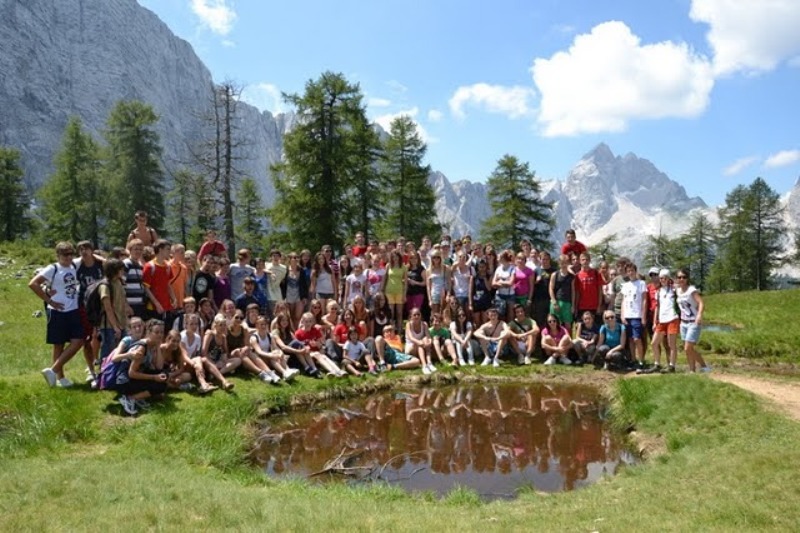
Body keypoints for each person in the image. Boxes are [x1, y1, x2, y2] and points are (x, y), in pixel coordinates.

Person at [30, 242, 84, 388]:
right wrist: (49, 301)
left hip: (73, 309)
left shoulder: (74, 265)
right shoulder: (53, 268)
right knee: (58, 344)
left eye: (70, 254)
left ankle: (52, 371)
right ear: (58, 255)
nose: (68, 257)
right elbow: (33, 283)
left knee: (78, 341)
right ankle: (60, 378)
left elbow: (90, 255)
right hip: (57, 311)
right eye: (65, 254)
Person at [116, 319, 167, 416]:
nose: (160, 335)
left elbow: (159, 367)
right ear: (149, 332)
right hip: (125, 382)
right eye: (156, 332)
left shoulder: (153, 345)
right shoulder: (142, 348)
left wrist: (158, 346)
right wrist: (154, 377)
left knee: (164, 375)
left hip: (133, 378)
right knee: (160, 385)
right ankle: (130, 399)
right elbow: (131, 373)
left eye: (161, 332)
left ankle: (137, 397)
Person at [73, 240, 104, 376]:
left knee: (102, 337)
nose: (84, 252)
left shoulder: (100, 265)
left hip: (101, 304)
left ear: (92, 250)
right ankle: (91, 370)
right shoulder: (77, 266)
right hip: (84, 306)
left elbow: (113, 265)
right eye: (81, 249)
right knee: (87, 338)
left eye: (86, 249)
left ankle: (102, 366)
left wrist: (100, 258)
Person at [643, 269, 680, 374]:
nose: (662, 280)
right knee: (654, 343)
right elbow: (657, 307)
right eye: (661, 278)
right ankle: (657, 364)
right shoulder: (658, 291)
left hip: (672, 318)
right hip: (661, 320)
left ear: (668, 278)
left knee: (671, 344)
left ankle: (672, 366)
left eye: (664, 278)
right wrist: (655, 321)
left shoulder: (674, 289)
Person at [675, 269, 711, 373]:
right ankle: (692, 370)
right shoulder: (677, 290)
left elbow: (701, 303)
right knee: (688, 349)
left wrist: (699, 315)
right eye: (679, 277)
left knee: (688, 348)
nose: (682, 279)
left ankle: (704, 366)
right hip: (683, 323)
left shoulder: (691, 290)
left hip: (693, 322)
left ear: (687, 278)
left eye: (684, 277)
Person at [295, 312, 347, 377]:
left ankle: (338, 371)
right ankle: (333, 371)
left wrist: (317, 344)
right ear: (302, 322)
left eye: (310, 321)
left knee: (324, 356)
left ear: (312, 322)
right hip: (307, 355)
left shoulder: (315, 330)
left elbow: (321, 344)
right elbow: (298, 347)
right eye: (306, 321)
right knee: (318, 355)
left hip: (318, 352)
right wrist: (310, 350)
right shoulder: (298, 333)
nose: (308, 323)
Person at [179, 313, 220, 394]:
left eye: (196, 324)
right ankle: (204, 384)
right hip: (182, 363)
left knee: (203, 359)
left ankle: (224, 381)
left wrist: (197, 364)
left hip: (192, 363)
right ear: (186, 324)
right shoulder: (182, 336)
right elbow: (184, 355)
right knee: (198, 359)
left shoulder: (197, 337)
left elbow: (195, 354)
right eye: (191, 324)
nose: (194, 326)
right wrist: (194, 364)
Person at [97, 258, 129, 364]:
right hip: (109, 326)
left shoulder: (118, 282)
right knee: (108, 353)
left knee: (121, 351)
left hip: (121, 323)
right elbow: (108, 308)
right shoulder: (105, 286)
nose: (123, 271)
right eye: (121, 269)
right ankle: (104, 371)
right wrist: (115, 327)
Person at [249, 315, 298, 381]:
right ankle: (284, 372)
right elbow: (259, 352)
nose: (263, 326)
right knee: (273, 356)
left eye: (265, 324)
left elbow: (275, 347)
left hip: (268, 357)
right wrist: (271, 355)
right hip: (259, 359)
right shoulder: (254, 338)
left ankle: (287, 370)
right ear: (257, 325)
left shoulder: (270, 335)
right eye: (261, 324)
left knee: (277, 352)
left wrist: (280, 352)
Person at [142, 239, 178, 326]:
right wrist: (157, 304)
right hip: (153, 307)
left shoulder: (168, 266)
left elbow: (168, 284)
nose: (170, 252)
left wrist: (174, 298)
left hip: (167, 306)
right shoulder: (149, 266)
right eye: (168, 249)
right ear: (160, 250)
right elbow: (146, 288)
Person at [201, 314, 239, 391]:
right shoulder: (210, 334)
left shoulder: (223, 337)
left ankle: (216, 373)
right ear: (215, 326)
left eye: (224, 325)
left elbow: (226, 353)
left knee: (238, 360)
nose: (223, 327)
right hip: (209, 361)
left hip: (218, 361)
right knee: (206, 360)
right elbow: (203, 353)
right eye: (220, 325)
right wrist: (213, 363)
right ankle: (223, 379)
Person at [621, 262, 648, 370]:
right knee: (631, 339)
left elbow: (644, 300)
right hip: (628, 315)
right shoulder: (625, 285)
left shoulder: (641, 283)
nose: (630, 273)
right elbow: (623, 301)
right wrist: (622, 315)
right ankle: (633, 360)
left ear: (635, 271)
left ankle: (641, 361)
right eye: (628, 271)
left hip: (637, 315)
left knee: (637, 339)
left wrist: (643, 316)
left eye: (632, 270)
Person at [549, 254, 576, 332]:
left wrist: (573, 305)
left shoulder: (572, 276)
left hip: (567, 303)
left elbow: (573, 291)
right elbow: (550, 288)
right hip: (556, 301)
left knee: (568, 325)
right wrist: (554, 301)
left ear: (568, 263)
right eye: (562, 263)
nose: (563, 265)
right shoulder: (554, 274)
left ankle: (568, 339)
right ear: (559, 263)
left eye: (565, 263)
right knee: (555, 324)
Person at [575, 252, 604, 325]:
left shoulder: (596, 273)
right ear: (580, 261)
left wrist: (599, 306)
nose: (585, 261)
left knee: (596, 328)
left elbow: (600, 291)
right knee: (581, 328)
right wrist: (576, 307)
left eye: (587, 259)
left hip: (594, 306)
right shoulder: (577, 275)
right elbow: (577, 293)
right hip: (582, 307)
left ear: (590, 260)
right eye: (583, 259)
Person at [405, 307, 435, 375]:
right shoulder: (408, 324)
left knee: (425, 339)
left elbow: (428, 337)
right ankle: (424, 365)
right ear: (411, 316)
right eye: (414, 315)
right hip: (411, 347)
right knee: (419, 344)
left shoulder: (424, 324)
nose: (417, 316)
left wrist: (429, 342)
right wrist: (420, 342)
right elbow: (411, 338)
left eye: (418, 314)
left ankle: (429, 363)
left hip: (421, 345)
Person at [383, 250, 407, 331]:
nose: (395, 258)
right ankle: (391, 331)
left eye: (396, 257)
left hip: (399, 291)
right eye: (393, 257)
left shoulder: (403, 267)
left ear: (399, 257)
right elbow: (385, 278)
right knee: (391, 313)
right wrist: (382, 290)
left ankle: (400, 331)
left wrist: (404, 294)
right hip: (389, 291)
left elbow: (406, 282)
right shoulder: (388, 265)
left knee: (399, 313)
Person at [123, 239, 147, 318]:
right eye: (136, 249)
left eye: (140, 249)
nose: (138, 251)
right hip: (129, 305)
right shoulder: (126, 264)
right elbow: (121, 285)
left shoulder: (140, 266)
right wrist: (126, 305)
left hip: (139, 304)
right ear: (130, 250)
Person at [492, 250, 517, 322]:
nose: (497, 258)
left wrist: (500, 281)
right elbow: (493, 283)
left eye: (499, 257)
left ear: (503, 258)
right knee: (500, 314)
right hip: (499, 295)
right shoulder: (498, 269)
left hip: (510, 295)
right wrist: (505, 283)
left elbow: (510, 283)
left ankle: (510, 328)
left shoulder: (512, 268)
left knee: (510, 315)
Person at [468, 260, 492, 328]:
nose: (482, 269)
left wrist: (484, 278)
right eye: (480, 267)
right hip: (476, 302)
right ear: (477, 268)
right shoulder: (474, 277)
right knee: (477, 322)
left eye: (483, 267)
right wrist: (470, 304)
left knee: (485, 322)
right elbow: (470, 291)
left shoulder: (489, 276)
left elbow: (489, 288)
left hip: (486, 301)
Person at [426, 250, 449, 316]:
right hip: (434, 294)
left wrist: (448, 294)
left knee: (445, 313)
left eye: (438, 257)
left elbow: (449, 282)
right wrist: (430, 300)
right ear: (431, 258)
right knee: (435, 314)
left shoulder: (446, 268)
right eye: (434, 257)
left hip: (444, 293)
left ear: (440, 258)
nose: (436, 259)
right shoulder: (428, 270)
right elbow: (428, 286)